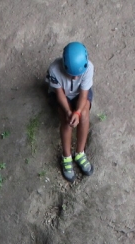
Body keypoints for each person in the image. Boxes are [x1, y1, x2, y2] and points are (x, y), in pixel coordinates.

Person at [47, 42, 94, 182]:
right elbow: (60, 94)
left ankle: (80, 153)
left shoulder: (89, 68)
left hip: (79, 94)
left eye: (78, 75)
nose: (75, 78)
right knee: (66, 120)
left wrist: (77, 112)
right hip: (63, 94)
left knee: (84, 115)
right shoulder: (54, 70)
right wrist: (69, 112)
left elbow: (84, 95)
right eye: (71, 74)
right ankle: (66, 156)